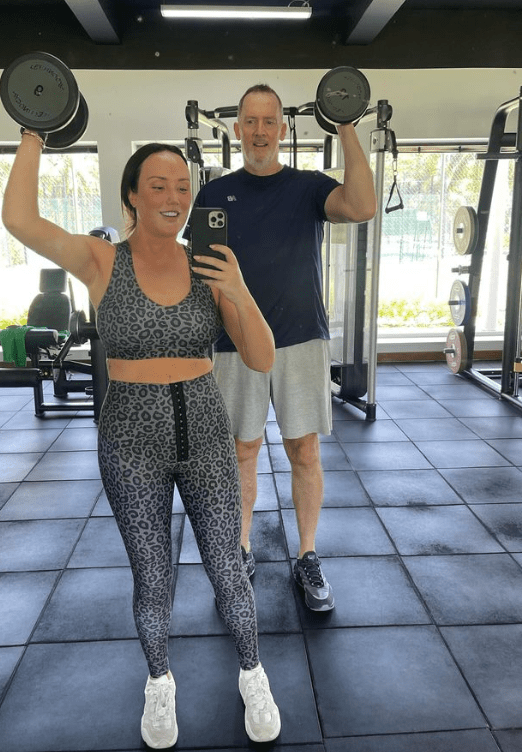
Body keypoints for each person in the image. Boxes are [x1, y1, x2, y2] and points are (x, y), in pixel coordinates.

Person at [2, 135, 281, 748]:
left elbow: (260, 357)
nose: (174, 198)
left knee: (229, 569)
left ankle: (253, 673)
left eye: (183, 187)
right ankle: (160, 683)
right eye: (158, 186)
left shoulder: (208, 265)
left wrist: (237, 287)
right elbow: (20, 219)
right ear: (131, 195)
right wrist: (32, 135)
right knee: (152, 577)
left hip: (206, 433)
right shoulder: (102, 261)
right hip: (131, 438)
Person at [191, 84, 377, 612]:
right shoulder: (214, 193)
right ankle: (242, 549)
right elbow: (203, 275)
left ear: (284, 129)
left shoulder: (307, 187)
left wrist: (344, 123)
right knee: (241, 451)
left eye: (268, 122)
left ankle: (308, 556)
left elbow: (362, 204)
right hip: (234, 342)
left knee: (304, 449)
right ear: (236, 130)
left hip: (299, 338)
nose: (258, 132)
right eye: (249, 122)